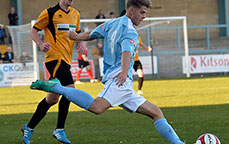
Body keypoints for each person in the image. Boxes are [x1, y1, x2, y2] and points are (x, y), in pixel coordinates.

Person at [30, 0, 185, 144]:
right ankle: (56, 87)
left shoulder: (112, 23)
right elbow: (126, 52)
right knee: (97, 107)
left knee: (156, 112)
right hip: (119, 79)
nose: (144, 17)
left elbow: (92, 34)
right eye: (142, 13)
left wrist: (77, 37)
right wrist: (124, 72)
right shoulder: (130, 31)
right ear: (131, 10)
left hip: (124, 85)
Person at [21, 0, 82, 144]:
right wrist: (41, 44)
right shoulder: (49, 12)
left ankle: (28, 127)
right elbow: (34, 30)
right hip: (54, 59)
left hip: (66, 60)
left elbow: (77, 34)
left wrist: (82, 42)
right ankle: (59, 129)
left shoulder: (76, 14)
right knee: (70, 90)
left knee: (52, 99)